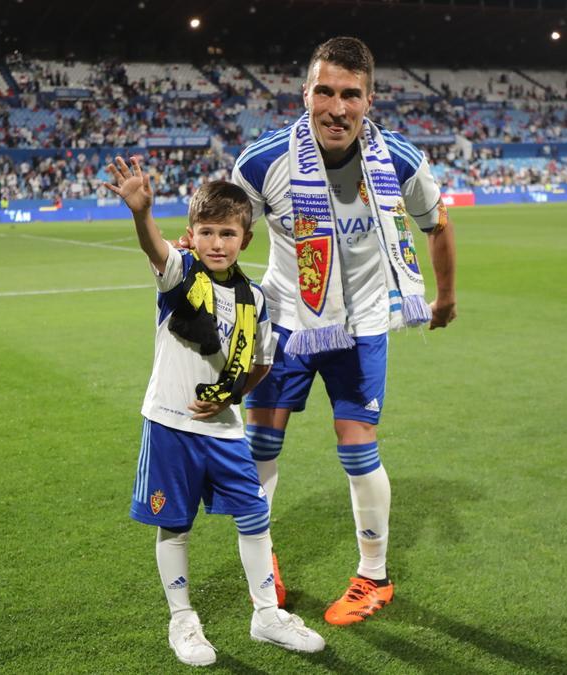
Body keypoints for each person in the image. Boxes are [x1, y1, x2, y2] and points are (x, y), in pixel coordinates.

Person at [229, 36, 458, 626]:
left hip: (362, 325)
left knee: (359, 453)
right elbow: (229, 232)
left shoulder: (401, 161)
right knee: (260, 450)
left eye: (350, 94)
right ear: (305, 93)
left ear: (368, 99)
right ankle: (262, 563)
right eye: (324, 91)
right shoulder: (261, 162)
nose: (337, 107)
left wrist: (447, 297)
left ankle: (373, 577)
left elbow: (437, 224)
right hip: (284, 321)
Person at [103, 156, 325, 667]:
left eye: (227, 233)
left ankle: (266, 615)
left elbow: (262, 363)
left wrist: (231, 396)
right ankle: (182, 620)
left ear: (245, 239)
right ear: (192, 234)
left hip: (225, 431)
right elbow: (156, 250)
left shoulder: (255, 298)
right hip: (170, 423)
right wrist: (141, 214)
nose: (217, 242)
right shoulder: (180, 274)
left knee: (254, 515)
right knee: (175, 525)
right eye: (207, 232)